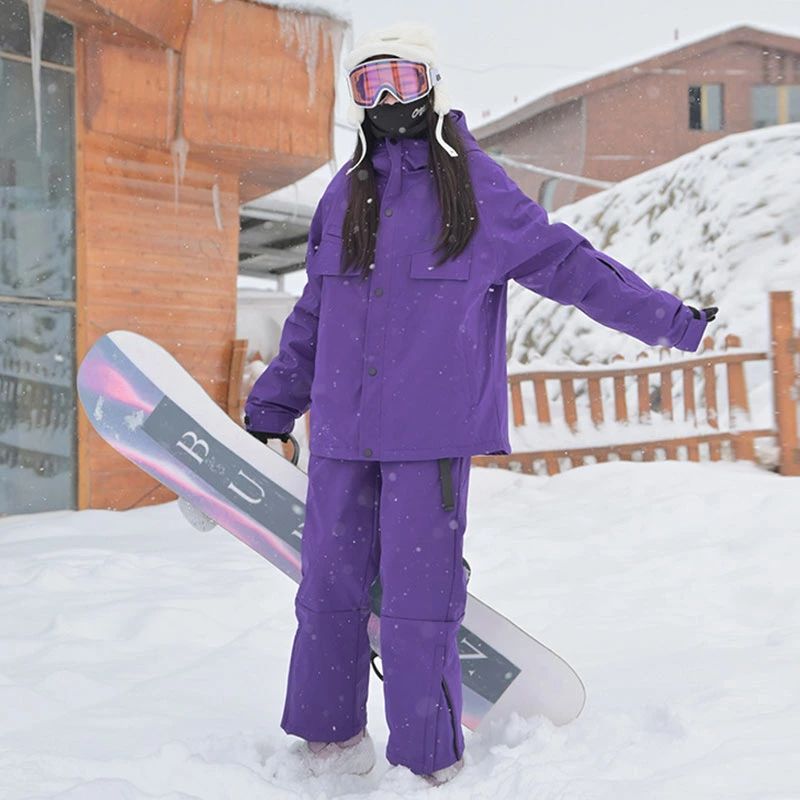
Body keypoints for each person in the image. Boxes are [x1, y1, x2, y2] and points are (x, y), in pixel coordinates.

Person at [243, 21, 719, 786]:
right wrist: (270, 412)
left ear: (432, 85)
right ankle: (328, 744)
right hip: (338, 435)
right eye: (370, 84)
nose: (388, 97)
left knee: (418, 599)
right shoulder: (344, 195)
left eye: (401, 78)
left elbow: (573, 266)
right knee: (326, 590)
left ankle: (426, 761)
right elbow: (312, 316)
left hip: (427, 439)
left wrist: (672, 321)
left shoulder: (475, 186)